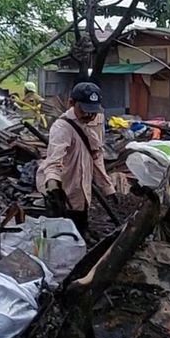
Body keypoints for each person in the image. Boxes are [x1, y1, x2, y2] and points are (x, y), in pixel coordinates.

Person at [36, 82, 117, 234]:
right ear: (71, 103)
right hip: (64, 189)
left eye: (93, 111)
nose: (89, 115)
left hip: (82, 187)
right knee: (63, 232)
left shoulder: (97, 119)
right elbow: (54, 161)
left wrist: (107, 187)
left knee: (80, 222)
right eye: (84, 110)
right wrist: (53, 187)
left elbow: (96, 155)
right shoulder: (62, 127)